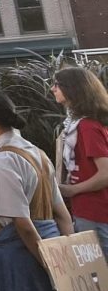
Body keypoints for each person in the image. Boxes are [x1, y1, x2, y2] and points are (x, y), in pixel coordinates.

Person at [0, 89, 74, 291]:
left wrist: (50, 266)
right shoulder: (37, 153)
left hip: (24, 256)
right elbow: (62, 214)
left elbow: (23, 225)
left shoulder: (2, 160)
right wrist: (67, 262)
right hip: (50, 245)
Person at [52, 65, 108, 257]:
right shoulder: (80, 125)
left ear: (73, 88)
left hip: (97, 212)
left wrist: (71, 189)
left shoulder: (87, 127)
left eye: (57, 85)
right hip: (88, 210)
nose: (53, 89)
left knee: (99, 274)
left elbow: (105, 173)